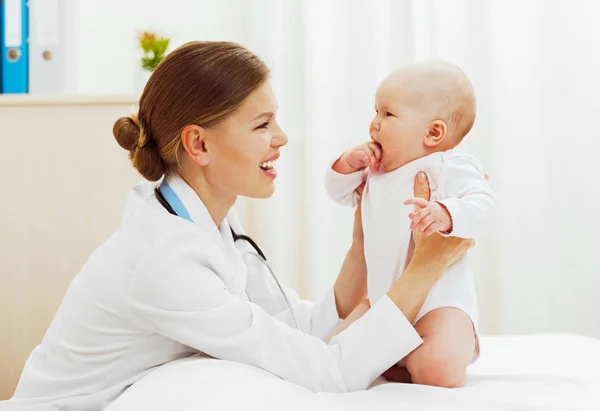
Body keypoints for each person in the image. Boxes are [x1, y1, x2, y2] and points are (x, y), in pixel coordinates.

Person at [1, 42, 472, 411]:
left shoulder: (206, 220)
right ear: (199, 144)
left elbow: (299, 328)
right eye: (262, 124)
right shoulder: (164, 261)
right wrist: (425, 268)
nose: (282, 138)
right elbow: (328, 371)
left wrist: (360, 243)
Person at [325, 61, 497, 388]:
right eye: (375, 112)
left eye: (388, 115)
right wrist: (347, 164)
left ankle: (440, 353)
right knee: (338, 347)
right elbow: (338, 192)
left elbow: (485, 206)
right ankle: (398, 361)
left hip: (438, 304)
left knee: (437, 368)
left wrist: (447, 213)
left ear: (433, 132)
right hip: (382, 298)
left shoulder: (449, 166)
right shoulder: (374, 170)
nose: (374, 124)